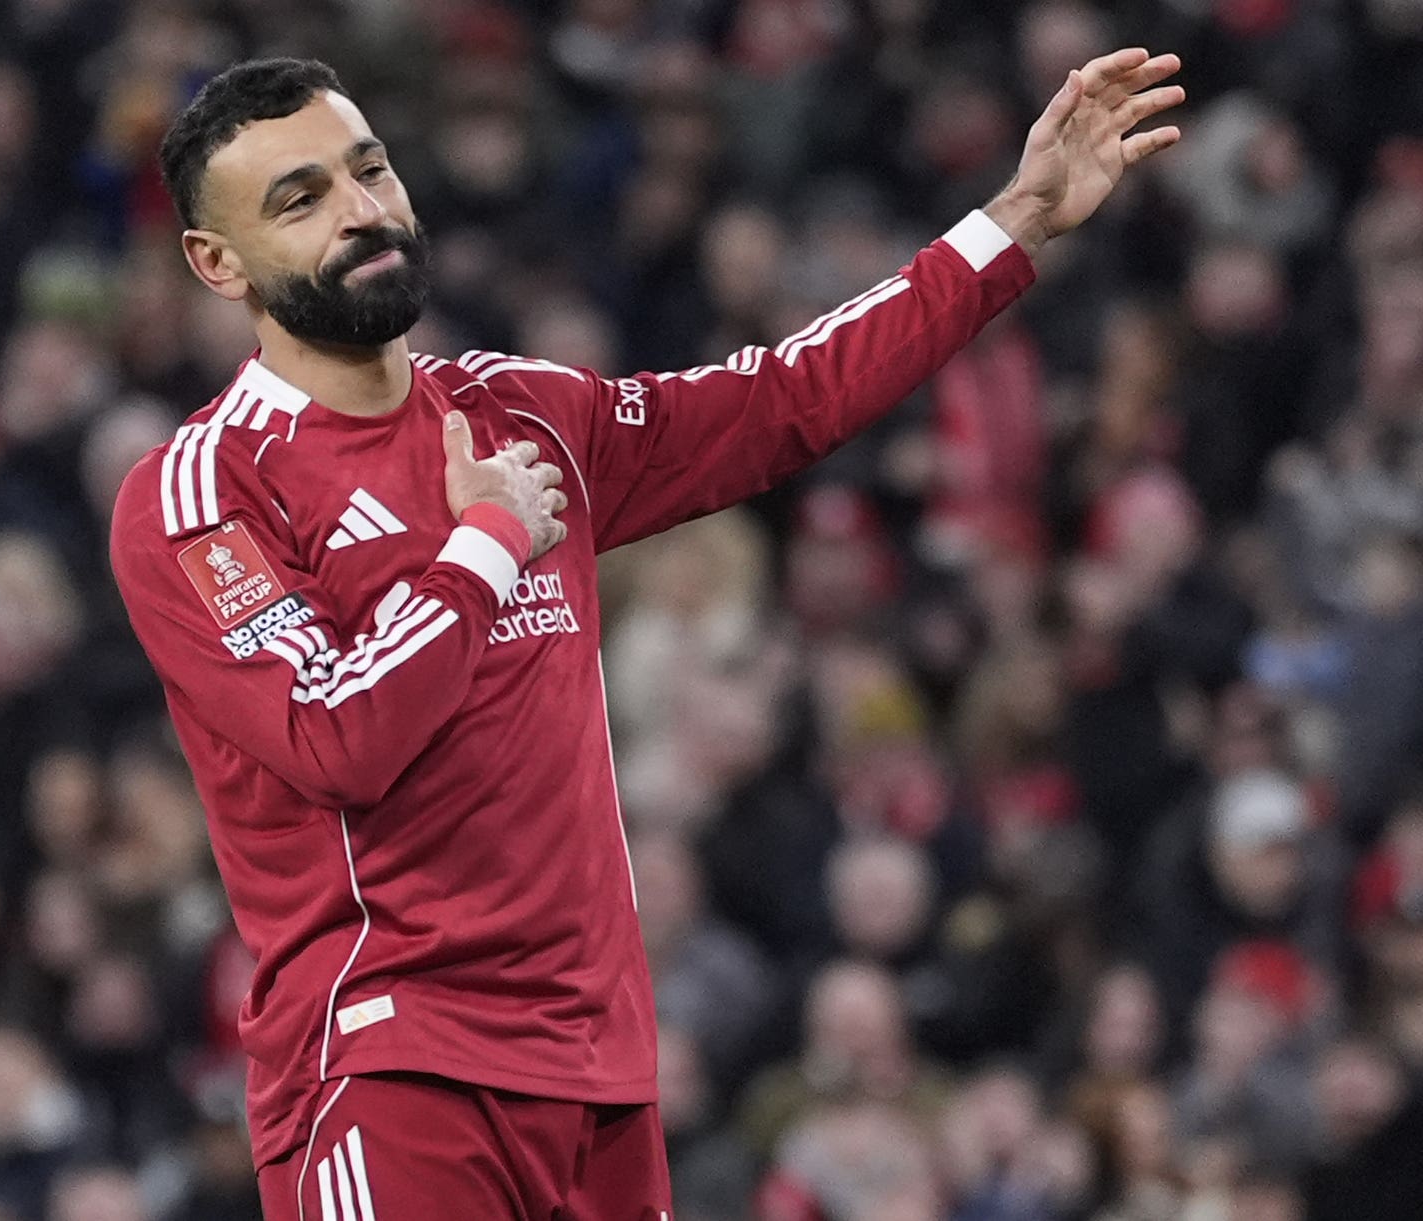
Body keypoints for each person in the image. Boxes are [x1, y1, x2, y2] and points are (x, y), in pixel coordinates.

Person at [110, 49, 1185, 1220]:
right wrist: (481, 546)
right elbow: (335, 737)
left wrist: (1011, 224)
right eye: (299, 198)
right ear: (217, 266)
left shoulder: (521, 414)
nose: (362, 211)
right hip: (393, 1070)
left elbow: (783, 400)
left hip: (599, 1084)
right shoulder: (203, 493)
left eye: (367, 170)